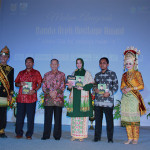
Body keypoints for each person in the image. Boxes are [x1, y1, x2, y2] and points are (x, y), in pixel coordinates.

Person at [121, 46, 146, 144]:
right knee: (127, 119)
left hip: (134, 98)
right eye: (126, 63)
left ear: (134, 63)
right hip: (126, 98)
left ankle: (135, 138)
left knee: (134, 119)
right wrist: (123, 89)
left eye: (130, 63)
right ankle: (129, 138)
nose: (128, 65)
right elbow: (122, 85)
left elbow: (141, 86)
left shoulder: (137, 74)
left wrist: (131, 88)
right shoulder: (124, 75)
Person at [67, 58, 94, 141]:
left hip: (83, 96)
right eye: (77, 63)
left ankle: (82, 135)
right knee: (74, 116)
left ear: (83, 63)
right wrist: (69, 86)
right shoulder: (73, 73)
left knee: (83, 116)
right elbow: (70, 86)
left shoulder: (87, 73)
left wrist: (83, 87)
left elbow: (91, 84)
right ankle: (74, 135)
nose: (78, 65)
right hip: (75, 96)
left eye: (80, 63)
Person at [15, 57, 42, 139]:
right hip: (21, 98)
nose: (28, 63)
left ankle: (29, 134)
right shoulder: (21, 73)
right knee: (19, 117)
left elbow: (40, 84)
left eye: (30, 62)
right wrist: (20, 84)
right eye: (27, 62)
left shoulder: (37, 73)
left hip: (31, 98)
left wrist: (34, 90)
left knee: (30, 117)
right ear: (25, 63)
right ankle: (19, 133)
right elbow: (16, 83)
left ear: (33, 63)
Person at [94, 57, 118, 143]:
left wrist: (109, 93)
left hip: (108, 102)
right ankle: (97, 137)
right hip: (98, 102)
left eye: (104, 63)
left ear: (107, 64)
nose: (102, 64)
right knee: (98, 121)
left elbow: (116, 86)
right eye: (100, 63)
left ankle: (110, 138)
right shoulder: (97, 75)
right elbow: (94, 86)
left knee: (109, 121)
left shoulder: (112, 74)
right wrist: (95, 90)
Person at [41, 59, 65, 140]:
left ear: (58, 65)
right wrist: (50, 93)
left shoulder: (62, 74)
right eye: (52, 64)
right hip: (49, 100)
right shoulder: (46, 75)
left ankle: (57, 136)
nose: (54, 65)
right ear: (50, 65)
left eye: (55, 64)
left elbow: (63, 87)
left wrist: (55, 92)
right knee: (47, 118)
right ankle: (46, 135)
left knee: (58, 119)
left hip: (58, 100)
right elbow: (43, 87)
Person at [0, 46, 14, 138]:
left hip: (4, 94)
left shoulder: (10, 69)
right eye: (2, 56)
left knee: (2, 112)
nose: (3, 58)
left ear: (8, 58)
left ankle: (1, 130)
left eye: (5, 57)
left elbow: (11, 83)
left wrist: (11, 95)